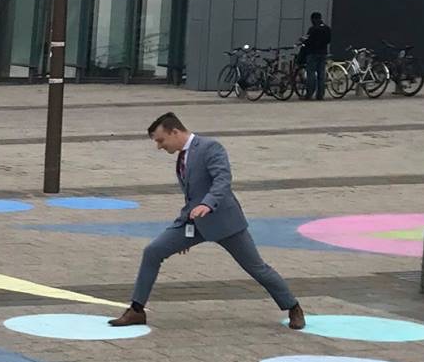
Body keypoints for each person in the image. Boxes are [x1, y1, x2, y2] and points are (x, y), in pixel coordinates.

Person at [109, 113, 305, 331]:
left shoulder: (210, 148)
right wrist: (182, 230)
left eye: (161, 140)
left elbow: (223, 181)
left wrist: (208, 205)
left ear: (175, 132)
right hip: (193, 222)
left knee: (256, 267)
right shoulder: (182, 156)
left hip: (224, 222)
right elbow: (191, 196)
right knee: (153, 251)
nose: (159, 146)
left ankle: (293, 306)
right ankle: (136, 310)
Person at [301, 11, 332, 101]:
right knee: (321, 74)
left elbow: (308, 40)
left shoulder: (313, 29)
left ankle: (309, 93)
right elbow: (328, 40)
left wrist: (303, 41)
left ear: (313, 19)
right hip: (323, 53)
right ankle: (320, 95)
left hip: (312, 53)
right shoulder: (327, 28)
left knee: (311, 74)